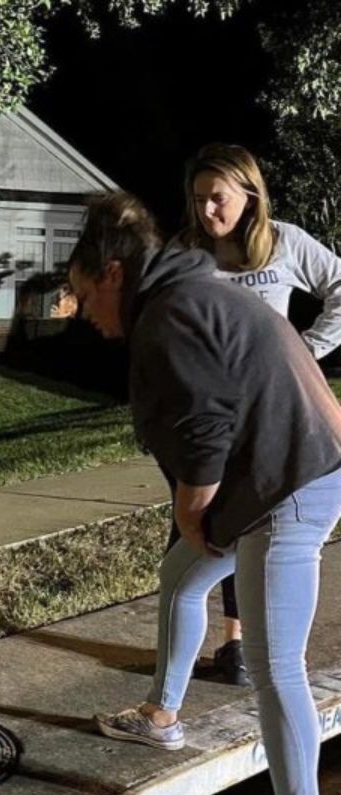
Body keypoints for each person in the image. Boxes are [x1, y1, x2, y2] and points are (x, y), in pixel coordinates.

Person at [69, 191, 341, 795]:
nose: (83, 313)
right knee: (182, 577)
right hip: (278, 469)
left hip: (287, 484)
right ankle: (161, 715)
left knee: (277, 666)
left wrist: (195, 511)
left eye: (81, 294)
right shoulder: (190, 289)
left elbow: (204, 423)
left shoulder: (172, 312)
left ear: (113, 274)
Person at [172, 143, 341, 687]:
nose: (207, 213)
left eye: (217, 199)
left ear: (249, 195)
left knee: (240, 527)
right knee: (197, 535)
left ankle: (235, 647)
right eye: (198, 200)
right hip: (211, 418)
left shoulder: (285, 242)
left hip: (275, 416)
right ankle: (176, 679)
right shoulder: (188, 251)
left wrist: (307, 348)